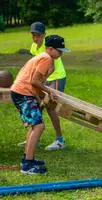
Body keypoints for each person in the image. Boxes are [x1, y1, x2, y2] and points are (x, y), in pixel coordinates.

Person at [11, 35, 70, 174]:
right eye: (59, 51)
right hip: (23, 93)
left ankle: (27, 159)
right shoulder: (46, 58)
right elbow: (34, 81)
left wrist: (41, 97)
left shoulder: (47, 59)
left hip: (24, 93)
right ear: (50, 48)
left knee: (35, 126)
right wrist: (50, 91)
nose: (61, 54)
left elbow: (37, 83)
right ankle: (27, 166)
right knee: (38, 126)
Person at [18, 22, 68, 151]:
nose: (36, 38)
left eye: (38, 35)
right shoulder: (34, 47)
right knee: (37, 106)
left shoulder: (49, 47)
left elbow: (51, 68)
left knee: (51, 107)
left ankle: (60, 140)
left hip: (56, 77)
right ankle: (35, 138)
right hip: (44, 79)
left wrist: (40, 81)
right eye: (33, 35)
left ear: (44, 35)